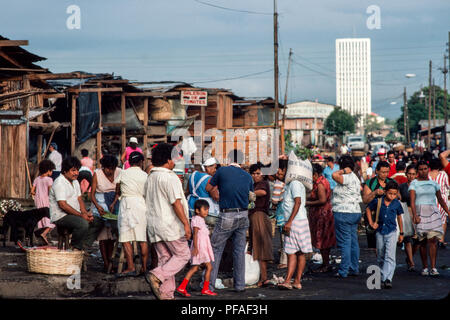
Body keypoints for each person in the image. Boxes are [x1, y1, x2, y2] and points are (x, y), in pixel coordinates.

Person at [144, 143, 191, 300]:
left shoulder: (150, 177)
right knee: (183, 255)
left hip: (154, 225)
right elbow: (176, 203)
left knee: (166, 258)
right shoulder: (169, 177)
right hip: (169, 225)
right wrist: (186, 223)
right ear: (167, 159)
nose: (175, 162)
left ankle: (166, 294)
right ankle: (156, 275)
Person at [205, 149, 254, 293]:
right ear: (241, 161)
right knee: (239, 251)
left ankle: (208, 284)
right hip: (243, 215)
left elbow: (208, 187)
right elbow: (250, 195)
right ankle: (240, 285)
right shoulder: (248, 176)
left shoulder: (222, 172)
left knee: (215, 249)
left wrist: (219, 191)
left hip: (227, 214)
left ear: (228, 159)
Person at [410, 161, 449, 276]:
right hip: (420, 213)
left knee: (433, 241)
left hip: (433, 212)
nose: (423, 171)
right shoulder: (414, 184)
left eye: (425, 168)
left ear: (428, 169)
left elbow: (440, 199)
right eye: (421, 169)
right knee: (422, 241)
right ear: (418, 171)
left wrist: (448, 211)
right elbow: (412, 201)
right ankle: (425, 267)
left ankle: (433, 267)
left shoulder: (434, 183)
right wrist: (415, 215)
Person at [114, 151, 149, 276]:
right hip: (141, 205)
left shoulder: (123, 173)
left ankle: (131, 266)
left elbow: (117, 188)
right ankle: (144, 267)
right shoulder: (145, 175)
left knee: (125, 237)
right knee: (142, 238)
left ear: (129, 162)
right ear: (141, 162)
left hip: (126, 205)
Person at [49, 157, 95, 251]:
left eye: (77, 170)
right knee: (83, 224)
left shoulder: (75, 182)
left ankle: (83, 246)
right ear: (65, 171)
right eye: (73, 170)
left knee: (95, 221)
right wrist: (81, 216)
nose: (76, 173)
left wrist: (85, 213)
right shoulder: (59, 182)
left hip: (74, 214)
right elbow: (63, 205)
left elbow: (79, 199)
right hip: (61, 216)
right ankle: (75, 247)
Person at [277, 168, 313, 290]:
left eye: (280, 171)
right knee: (294, 252)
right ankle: (293, 281)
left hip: (297, 222)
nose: (278, 174)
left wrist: (290, 221)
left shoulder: (295, 184)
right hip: (296, 221)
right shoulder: (290, 184)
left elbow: (298, 202)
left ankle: (293, 281)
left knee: (296, 252)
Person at [366, 181, 404, 288]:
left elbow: (399, 217)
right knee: (381, 255)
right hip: (379, 231)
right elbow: (368, 209)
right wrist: (371, 223)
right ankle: (383, 276)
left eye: (394, 194)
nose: (392, 196)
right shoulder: (378, 201)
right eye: (390, 193)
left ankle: (388, 278)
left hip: (392, 231)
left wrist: (401, 232)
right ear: (385, 192)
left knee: (390, 256)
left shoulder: (396, 203)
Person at [176, 199, 217, 297]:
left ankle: (182, 287)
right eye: (205, 209)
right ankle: (205, 289)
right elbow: (195, 234)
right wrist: (196, 248)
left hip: (201, 246)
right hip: (200, 247)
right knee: (209, 267)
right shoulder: (197, 219)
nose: (207, 211)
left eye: (207, 209)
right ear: (198, 210)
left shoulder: (200, 219)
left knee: (195, 268)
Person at [331, 155, 363, 278]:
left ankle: (344, 270)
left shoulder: (346, 176)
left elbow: (334, 175)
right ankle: (353, 268)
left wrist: (344, 170)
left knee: (345, 243)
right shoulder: (355, 177)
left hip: (343, 213)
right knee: (353, 242)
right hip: (354, 212)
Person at [90, 155, 121, 272]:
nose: (110, 171)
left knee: (112, 236)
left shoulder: (119, 172)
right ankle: (106, 263)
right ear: (104, 167)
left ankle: (111, 262)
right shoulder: (97, 174)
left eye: (112, 168)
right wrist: (98, 207)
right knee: (103, 236)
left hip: (115, 203)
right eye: (108, 168)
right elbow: (91, 194)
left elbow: (119, 190)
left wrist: (114, 202)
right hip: (101, 203)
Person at [306, 164, 336, 273]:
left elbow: (322, 200)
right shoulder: (322, 181)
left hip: (322, 215)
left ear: (315, 174)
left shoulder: (320, 184)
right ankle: (325, 263)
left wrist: (308, 203)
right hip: (323, 213)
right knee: (324, 241)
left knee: (323, 241)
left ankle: (325, 264)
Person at [248, 163, 273, 287]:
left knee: (260, 248)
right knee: (256, 248)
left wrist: (250, 193)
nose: (255, 176)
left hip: (259, 216)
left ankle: (264, 278)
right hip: (254, 217)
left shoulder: (263, 184)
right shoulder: (253, 184)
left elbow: (262, 192)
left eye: (258, 173)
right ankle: (262, 277)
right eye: (253, 173)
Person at [363, 161, 393, 252]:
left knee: (388, 243)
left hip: (388, 217)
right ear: (377, 171)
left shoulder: (391, 182)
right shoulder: (370, 183)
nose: (385, 174)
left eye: (387, 172)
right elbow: (365, 200)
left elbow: (398, 197)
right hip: (373, 216)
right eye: (383, 172)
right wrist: (374, 193)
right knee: (376, 246)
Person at [399, 164, 419, 271]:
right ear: (406, 174)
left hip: (417, 213)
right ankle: (411, 262)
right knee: (407, 239)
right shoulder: (402, 187)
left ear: (416, 175)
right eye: (409, 174)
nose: (411, 176)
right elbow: (400, 200)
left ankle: (410, 257)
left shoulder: (419, 186)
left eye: (413, 174)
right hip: (406, 213)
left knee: (418, 240)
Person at [187, 158, 220, 225]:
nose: (215, 170)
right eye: (214, 168)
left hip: (191, 206)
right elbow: (216, 196)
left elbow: (187, 190)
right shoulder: (210, 179)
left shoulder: (193, 175)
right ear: (207, 167)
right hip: (204, 209)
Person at [30, 160, 56, 245]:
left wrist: (38, 193)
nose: (52, 172)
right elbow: (50, 193)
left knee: (41, 219)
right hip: (46, 200)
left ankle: (42, 236)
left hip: (38, 201)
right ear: (48, 170)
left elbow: (32, 191)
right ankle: (44, 234)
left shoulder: (37, 179)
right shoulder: (49, 180)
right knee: (52, 219)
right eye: (51, 170)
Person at [429, 158, 449, 248]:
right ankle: (441, 239)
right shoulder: (443, 175)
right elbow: (448, 186)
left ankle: (432, 238)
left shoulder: (427, 175)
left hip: (430, 201)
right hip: (442, 201)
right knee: (443, 220)